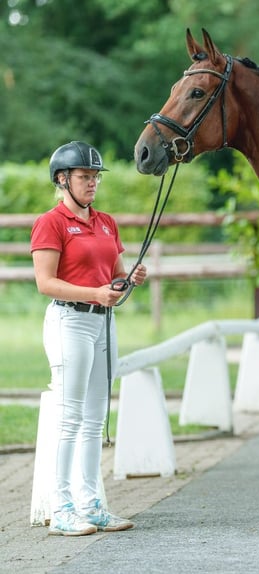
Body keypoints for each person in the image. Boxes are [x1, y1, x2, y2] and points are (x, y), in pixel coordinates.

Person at [30, 141, 147, 536]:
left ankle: (90, 503)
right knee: (70, 416)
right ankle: (61, 507)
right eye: (84, 176)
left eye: (95, 176)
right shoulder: (51, 222)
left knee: (95, 419)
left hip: (104, 323)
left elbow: (114, 272)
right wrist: (96, 294)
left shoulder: (107, 222)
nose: (92, 183)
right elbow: (46, 283)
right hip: (69, 323)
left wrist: (129, 280)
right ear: (63, 179)